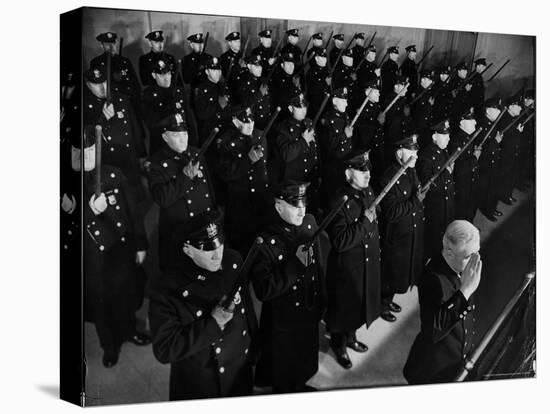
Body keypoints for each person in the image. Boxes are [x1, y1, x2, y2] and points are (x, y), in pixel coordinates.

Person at [149, 209, 256, 400]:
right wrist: (212, 324)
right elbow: (164, 349)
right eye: (207, 249)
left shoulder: (233, 260)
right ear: (187, 249)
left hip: (239, 365)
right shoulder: (167, 289)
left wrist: (255, 348)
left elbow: (247, 311)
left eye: (219, 244)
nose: (217, 255)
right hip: (204, 379)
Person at [76, 125, 150, 368]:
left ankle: (129, 330)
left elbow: (132, 213)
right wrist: (90, 211)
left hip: (119, 248)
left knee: (125, 294)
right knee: (100, 303)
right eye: (80, 152)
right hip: (90, 257)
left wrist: (140, 244)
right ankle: (109, 346)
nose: (86, 156)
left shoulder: (113, 175)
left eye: (90, 150)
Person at [250, 180, 325, 393]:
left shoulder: (308, 225)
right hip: (282, 319)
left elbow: (317, 270)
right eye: (295, 205)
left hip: (307, 310)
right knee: (283, 370)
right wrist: (294, 265)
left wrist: (321, 301)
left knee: (304, 361)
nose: (302, 210)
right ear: (279, 206)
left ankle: (299, 385)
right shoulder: (265, 241)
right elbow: (263, 290)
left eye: (304, 203)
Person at [403, 220, 481, 384]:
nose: (476, 261)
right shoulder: (433, 278)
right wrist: (465, 290)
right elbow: (432, 330)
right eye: (468, 257)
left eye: (477, 253)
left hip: (458, 357)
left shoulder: (462, 267)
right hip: (435, 369)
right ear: (450, 253)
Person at [326, 150, 381, 369]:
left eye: (367, 169)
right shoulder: (339, 200)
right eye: (361, 170)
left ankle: (351, 337)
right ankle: (339, 346)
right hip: (347, 267)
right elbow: (340, 241)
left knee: (358, 305)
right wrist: (365, 223)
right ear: (349, 173)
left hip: (365, 261)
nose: (367, 174)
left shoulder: (368, 191)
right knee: (344, 309)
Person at [147, 113, 215, 269]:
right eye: (176, 135)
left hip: (204, 221)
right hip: (180, 227)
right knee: (181, 268)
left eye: (185, 134)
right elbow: (162, 199)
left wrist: (214, 215)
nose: (183, 139)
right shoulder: (155, 163)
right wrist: (184, 177)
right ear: (165, 137)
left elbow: (208, 189)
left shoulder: (196, 153)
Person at [378, 134, 425, 322]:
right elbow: (392, 212)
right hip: (396, 236)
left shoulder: (410, 171)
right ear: (399, 153)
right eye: (411, 151)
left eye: (416, 151)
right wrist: (415, 202)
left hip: (409, 232)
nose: (415, 155)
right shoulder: (389, 177)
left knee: (401, 271)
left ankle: (388, 301)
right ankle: (382, 305)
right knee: (391, 273)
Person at [83, 65, 145, 194]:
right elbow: (87, 135)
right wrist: (103, 119)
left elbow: (134, 128)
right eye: (96, 84)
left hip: (128, 153)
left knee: (137, 191)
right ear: (88, 85)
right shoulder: (86, 107)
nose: (102, 87)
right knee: (119, 194)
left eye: (104, 82)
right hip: (109, 159)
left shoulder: (121, 99)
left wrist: (141, 153)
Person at [218, 107, 270, 256]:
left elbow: (264, 167)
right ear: (235, 121)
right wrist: (248, 160)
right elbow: (226, 173)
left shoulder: (261, 136)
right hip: (240, 198)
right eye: (245, 121)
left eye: (252, 120)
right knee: (240, 238)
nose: (250, 125)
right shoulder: (226, 142)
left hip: (260, 195)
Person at [272, 92, 320, 214]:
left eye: (305, 106)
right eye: (299, 107)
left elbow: (317, 153)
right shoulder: (282, 128)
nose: (303, 110)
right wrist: (303, 141)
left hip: (310, 179)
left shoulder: (309, 123)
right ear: (290, 108)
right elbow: (287, 155)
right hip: (294, 183)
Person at [416, 119, 456, 259]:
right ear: (434, 137)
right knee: (434, 239)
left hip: (446, 202)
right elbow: (428, 185)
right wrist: (448, 174)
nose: (448, 139)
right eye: (445, 136)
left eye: (448, 136)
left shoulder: (442, 151)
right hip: (435, 206)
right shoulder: (426, 156)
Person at [142, 59, 189, 153]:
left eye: (168, 74)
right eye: (162, 75)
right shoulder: (148, 94)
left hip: (181, 141)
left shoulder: (178, 91)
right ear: (154, 75)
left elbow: (188, 116)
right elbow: (151, 123)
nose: (166, 78)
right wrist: (167, 111)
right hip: (161, 143)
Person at [319, 87, 354, 209]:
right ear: (334, 101)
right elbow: (327, 145)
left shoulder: (345, 116)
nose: (347, 103)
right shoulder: (328, 119)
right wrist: (344, 136)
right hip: (334, 165)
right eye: (343, 100)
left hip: (345, 162)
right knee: (334, 198)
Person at [90, 32, 141, 102]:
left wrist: (139, 96)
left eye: (113, 43)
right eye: (107, 44)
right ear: (102, 46)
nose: (111, 47)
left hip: (128, 98)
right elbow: (96, 85)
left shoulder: (125, 61)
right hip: (111, 100)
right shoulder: (96, 62)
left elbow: (135, 82)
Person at [476, 98, 504, 221]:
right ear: (488, 111)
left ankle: (491, 208)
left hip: (494, 161)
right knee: (486, 189)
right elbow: (482, 149)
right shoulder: (482, 126)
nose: (498, 112)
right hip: (485, 163)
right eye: (496, 109)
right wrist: (496, 142)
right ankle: (487, 210)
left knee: (493, 187)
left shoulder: (493, 124)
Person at [450, 112, 480, 222]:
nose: (475, 122)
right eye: (471, 120)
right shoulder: (456, 140)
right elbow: (458, 167)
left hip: (470, 177)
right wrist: (475, 158)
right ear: (462, 123)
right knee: (462, 206)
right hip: (462, 181)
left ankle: (469, 224)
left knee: (471, 203)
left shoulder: (468, 136)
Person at [231, 54, 273, 130]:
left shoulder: (262, 80)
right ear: (249, 66)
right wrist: (259, 95)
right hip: (250, 125)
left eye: (260, 66)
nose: (260, 68)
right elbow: (244, 103)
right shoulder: (243, 80)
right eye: (256, 66)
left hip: (263, 123)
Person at [497, 95, 524, 206]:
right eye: (518, 107)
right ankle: (503, 196)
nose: (520, 109)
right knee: (505, 177)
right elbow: (506, 138)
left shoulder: (513, 118)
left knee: (510, 176)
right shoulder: (504, 119)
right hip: (505, 154)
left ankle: (507, 195)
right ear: (511, 107)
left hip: (512, 153)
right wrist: (517, 132)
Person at [411, 70, 435, 148]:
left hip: (426, 125)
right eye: (428, 80)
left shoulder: (427, 92)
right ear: (422, 80)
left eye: (430, 80)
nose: (430, 82)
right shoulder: (418, 93)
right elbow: (418, 111)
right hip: (418, 126)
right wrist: (428, 105)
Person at [305, 47, 331, 119]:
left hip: (326, 103)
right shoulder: (311, 72)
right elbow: (312, 90)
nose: (324, 60)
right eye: (322, 58)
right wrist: (325, 83)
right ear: (316, 59)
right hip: (315, 104)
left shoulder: (327, 71)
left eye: (325, 58)